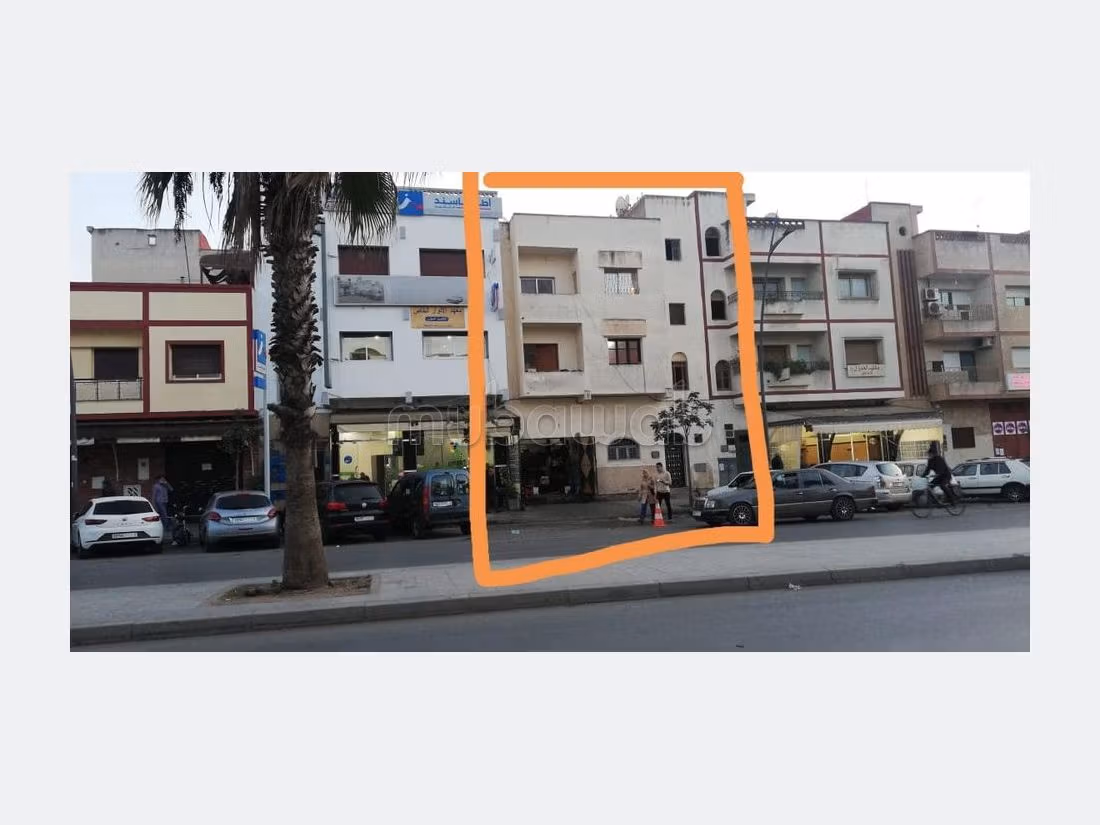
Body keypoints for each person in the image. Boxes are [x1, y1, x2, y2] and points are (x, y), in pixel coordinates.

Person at [152, 475, 173, 539]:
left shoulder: (165, 486)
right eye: (162, 479)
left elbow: (171, 489)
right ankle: (165, 528)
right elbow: (154, 495)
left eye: (163, 479)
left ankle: (164, 527)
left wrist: (167, 483)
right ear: (158, 480)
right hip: (159, 502)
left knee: (163, 515)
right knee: (164, 514)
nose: (163, 480)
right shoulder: (156, 486)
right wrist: (153, 504)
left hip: (165, 501)